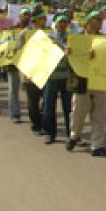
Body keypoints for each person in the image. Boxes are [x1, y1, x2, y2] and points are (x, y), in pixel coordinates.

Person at [66, 10, 106, 157]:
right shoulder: (76, 39)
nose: (100, 22)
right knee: (78, 111)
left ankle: (97, 145)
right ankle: (74, 135)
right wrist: (70, 54)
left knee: (99, 114)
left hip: (99, 81)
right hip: (81, 81)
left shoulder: (105, 40)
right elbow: (70, 61)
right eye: (97, 19)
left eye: (101, 20)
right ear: (88, 22)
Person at [41, 14, 72, 144]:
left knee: (69, 107)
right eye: (60, 22)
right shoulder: (48, 37)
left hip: (67, 76)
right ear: (55, 24)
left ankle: (71, 133)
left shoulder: (72, 38)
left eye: (65, 22)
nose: (63, 24)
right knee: (48, 106)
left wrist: (62, 45)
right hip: (51, 76)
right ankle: (49, 132)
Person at [7, 7, 31, 123]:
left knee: (30, 91)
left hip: (28, 64)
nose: (26, 16)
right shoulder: (11, 29)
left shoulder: (33, 31)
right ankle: (15, 113)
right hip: (13, 63)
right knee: (13, 89)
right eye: (24, 14)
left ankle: (33, 115)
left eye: (28, 14)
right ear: (19, 16)